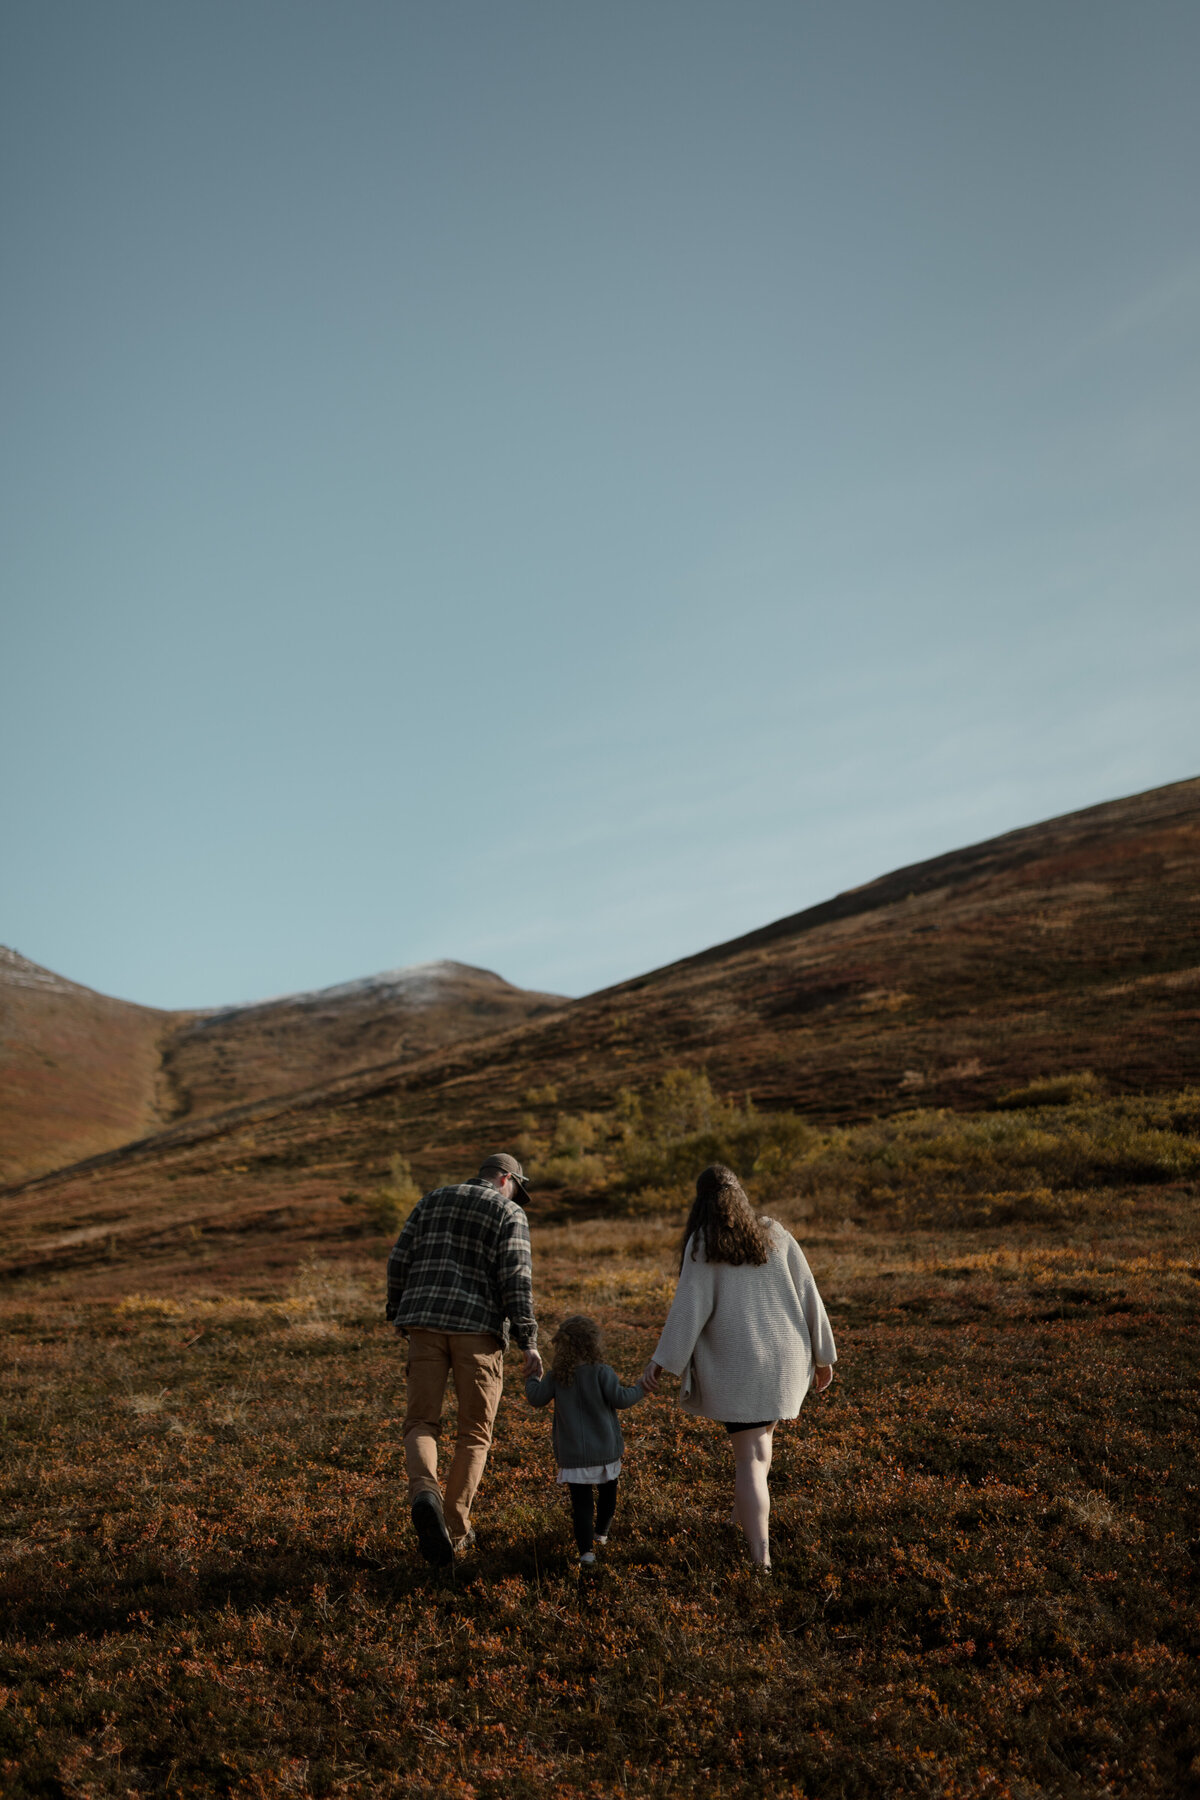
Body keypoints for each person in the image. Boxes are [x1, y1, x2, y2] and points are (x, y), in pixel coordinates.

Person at [642, 1164, 836, 1572]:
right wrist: (823, 1355)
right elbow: (809, 1293)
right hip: (786, 1360)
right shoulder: (774, 1233)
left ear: (701, 1204)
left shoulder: (704, 1243)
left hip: (741, 1366)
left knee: (750, 1459)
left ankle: (760, 1560)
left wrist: (661, 1363)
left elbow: (687, 1311)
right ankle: (742, 1520)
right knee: (761, 1449)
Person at [386, 1152, 543, 1568]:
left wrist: (398, 1311)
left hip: (424, 1326)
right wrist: (528, 1340)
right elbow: (516, 1279)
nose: (519, 1198)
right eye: (518, 1191)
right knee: (474, 1432)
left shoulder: (430, 1200)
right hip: (478, 1331)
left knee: (421, 1422)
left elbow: (398, 1259)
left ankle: (425, 1493)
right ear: (506, 1179)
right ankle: (455, 1529)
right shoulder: (509, 1212)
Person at [525, 1314, 647, 1567]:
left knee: (581, 1505)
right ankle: (601, 1534)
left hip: (573, 1455)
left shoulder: (557, 1376)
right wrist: (642, 1388)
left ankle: (586, 1553)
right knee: (607, 1496)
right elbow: (622, 1399)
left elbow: (536, 1398)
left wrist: (532, 1377)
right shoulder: (602, 1372)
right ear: (593, 1343)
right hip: (604, 1451)